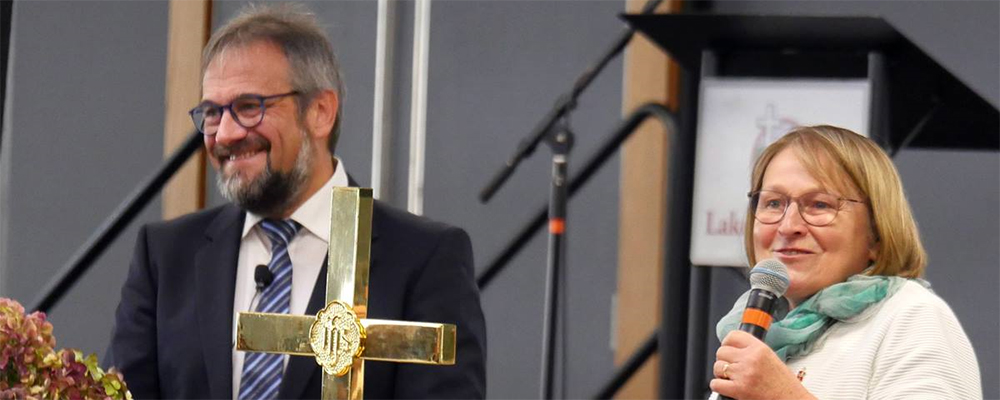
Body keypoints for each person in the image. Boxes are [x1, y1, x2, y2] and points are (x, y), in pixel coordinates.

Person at [105, 4, 486, 399]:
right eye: (212, 113)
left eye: (249, 107)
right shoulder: (166, 257)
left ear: (320, 112)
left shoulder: (424, 259)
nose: (225, 135)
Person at [710, 125, 981, 399]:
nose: (788, 226)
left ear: (876, 232)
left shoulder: (910, 316)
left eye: (819, 205)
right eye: (773, 203)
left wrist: (781, 395)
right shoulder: (758, 336)